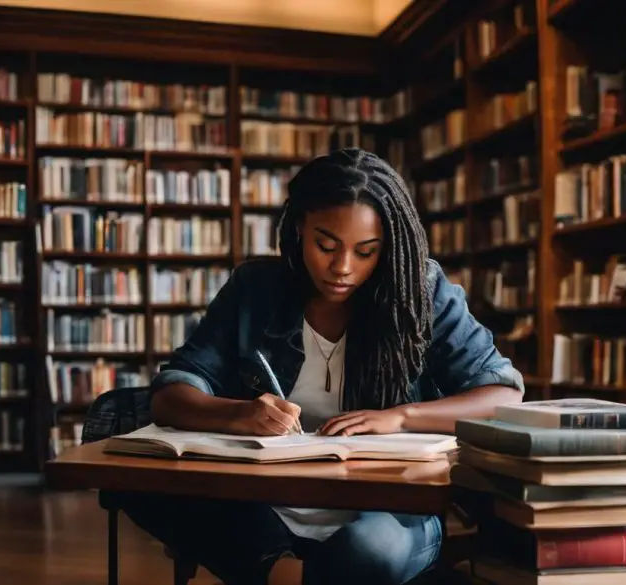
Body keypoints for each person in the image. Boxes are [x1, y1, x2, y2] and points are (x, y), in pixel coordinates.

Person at [118, 148, 524, 585]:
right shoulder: (256, 290)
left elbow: (501, 393)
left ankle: (277, 573)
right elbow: (173, 391)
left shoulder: (420, 293)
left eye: (366, 251)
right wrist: (239, 412)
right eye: (325, 245)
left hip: (388, 508)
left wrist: (401, 417)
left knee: (369, 552)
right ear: (298, 229)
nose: (342, 268)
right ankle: (282, 570)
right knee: (130, 468)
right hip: (263, 504)